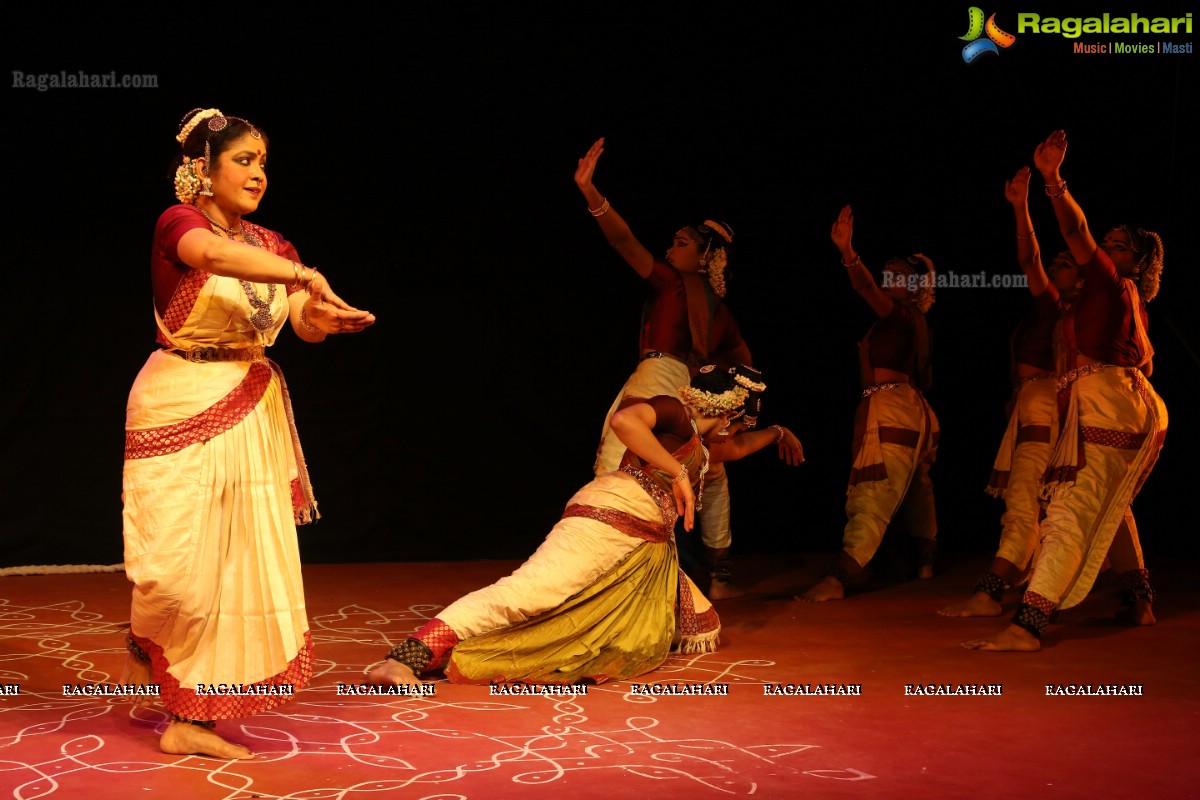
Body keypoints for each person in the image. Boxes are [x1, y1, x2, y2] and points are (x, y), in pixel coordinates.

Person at [122, 107, 375, 759]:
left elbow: (299, 319)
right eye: (243, 160)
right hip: (177, 398)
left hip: (248, 407)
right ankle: (148, 635)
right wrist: (300, 276)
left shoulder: (273, 246)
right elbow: (209, 254)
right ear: (202, 171)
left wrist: (320, 317)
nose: (258, 173)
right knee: (173, 574)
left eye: (263, 162)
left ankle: (192, 721)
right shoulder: (178, 224)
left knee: (229, 572)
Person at [367, 366, 803, 687]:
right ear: (729, 414)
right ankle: (407, 655)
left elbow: (740, 448)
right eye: (740, 424)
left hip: (644, 544)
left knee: (700, 622)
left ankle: (557, 634)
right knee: (531, 592)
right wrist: (675, 472)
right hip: (609, 518)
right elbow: (624, 421)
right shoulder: (675, 413)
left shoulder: (701, 446)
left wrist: (779, 433)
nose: (736, 433)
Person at [965, 130, 1166, 652]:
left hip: (1110, 400)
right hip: (1112, 403)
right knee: (1109, 502)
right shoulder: (1087, 301)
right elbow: (1032, 261)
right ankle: (1139, 601)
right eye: (1108, 243)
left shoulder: (1111, 284)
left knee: (1069, 510)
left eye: (1118, 247)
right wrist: (1020, 207)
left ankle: (1028, 625)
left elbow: (1076, 228)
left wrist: (1053, 182)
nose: (1104, 249)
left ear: (1137, 264)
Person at [574, 137, 754, 599]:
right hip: (693, 392)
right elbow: (748, 368)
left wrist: (591, 192)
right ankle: (719, 575)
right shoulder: (723, 313)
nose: (670, 249)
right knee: (709, 473)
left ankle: (603, 573)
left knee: (617, 466)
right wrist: (738, 416)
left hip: (658, 380)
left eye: (681, 243)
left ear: (704, 257)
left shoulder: (674, 282)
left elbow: (621, 240)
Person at [938, 166, 1082, 618]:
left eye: (1065, 265)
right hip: (1036, 403)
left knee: (1024, 499)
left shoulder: (1056, 305)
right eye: (1055, 263)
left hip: (1044, 403)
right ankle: (1132, 594)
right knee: (1040, 499)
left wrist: (1021, 208)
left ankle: (990, 591)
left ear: (1078, 280)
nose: (1055, 267)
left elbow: (1027, 262)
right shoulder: (1052, 312)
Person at [799, 205, 939, 602]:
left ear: (917, 286)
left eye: (900, 275)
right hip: (912, 408)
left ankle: (838, 578)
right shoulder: (907, 321)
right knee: (915, 489)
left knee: (874, 493)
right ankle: (925, 562)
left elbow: (864, 288)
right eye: (888, 272)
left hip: (895, 406)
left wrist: (848, 251)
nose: (888, 279)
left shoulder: (899, 315)